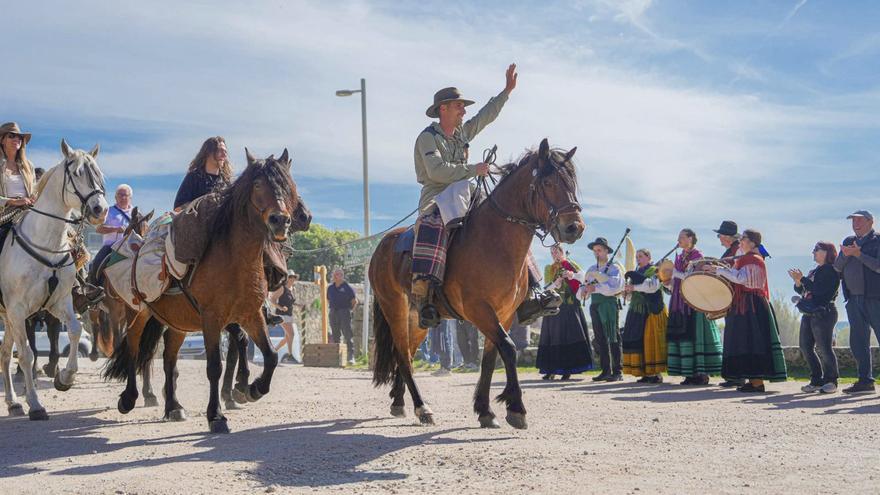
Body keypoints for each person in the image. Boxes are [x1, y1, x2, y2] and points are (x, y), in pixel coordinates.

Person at [709, 229, 787, 392]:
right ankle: (752, 380)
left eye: (743, 238)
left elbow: (743, 279)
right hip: (746, 304)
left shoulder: (753, 259)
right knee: (745, 341)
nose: (741, 241)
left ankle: (757, 382)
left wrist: (719, 270)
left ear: (752, 242)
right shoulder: (746, 259)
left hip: (751, 305)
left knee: (753, 341)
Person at [665, 229, 723, 385]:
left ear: (691, 239)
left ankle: (701, 373)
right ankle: (688, 373)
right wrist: (668, 281)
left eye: (682, 237)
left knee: (694, 334)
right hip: (679, 300)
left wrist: (675, 273)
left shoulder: (697, 256)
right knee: (683, 335)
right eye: (678, 237)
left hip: (694, 301)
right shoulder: (679, 257)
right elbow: (676, 279)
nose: (678, 240)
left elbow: (694, 278)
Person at [833, 210, 880, 394]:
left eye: (859, 220)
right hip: (853, 299)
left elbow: (878, 267)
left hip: (875, 298)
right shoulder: (847, 241)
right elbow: (837, 267)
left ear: (870, 221)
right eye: (853, 220)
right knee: (858, 341)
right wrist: (846, 254)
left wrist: (859, 254)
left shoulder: (877, 241)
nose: (855, 224)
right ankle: (865, 381)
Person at [536, 245, 593, 380]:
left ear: (562, 252)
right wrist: (556, 282)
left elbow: (584, 278)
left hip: (570, 306)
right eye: (552, 252)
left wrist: (571, 275)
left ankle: (567, 369)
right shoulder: (549, 268)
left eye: (557, 251)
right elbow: (547, 287)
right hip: (555, 307)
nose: (554, 254)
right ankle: (551, 369)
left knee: (568, 337)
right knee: (553, 338)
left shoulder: (571, 264)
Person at [790, 242, 840, 393]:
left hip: (824, 312)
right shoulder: (816, 271)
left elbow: (820, 291)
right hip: (809, 312)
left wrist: (803, 279)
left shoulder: (831, 270)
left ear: (827, 252)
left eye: (817, 250)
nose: (813, 252)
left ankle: (831, 380)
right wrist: (798, 282)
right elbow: (804, 291)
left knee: (824, 347)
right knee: (805, 346)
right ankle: (816, 380)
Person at [574, 238, 624, 382]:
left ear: (606, 251)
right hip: (595, 305)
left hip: (608, 304)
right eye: (595, 251)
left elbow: (616, 286)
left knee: (613, 336)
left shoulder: (615, 267)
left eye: (599, 250)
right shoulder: (591, 269)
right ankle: (605, 370)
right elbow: (585, 285)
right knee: (600, 338)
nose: (596, 253)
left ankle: (617, 371)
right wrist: (584, 290)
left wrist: (596, 287)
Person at [622, 249, 668, 383]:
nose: (638, 259)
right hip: (637, 310)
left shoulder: (655, 270)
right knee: (640, 342)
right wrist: (628, 292)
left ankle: (656, 374)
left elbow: (652, 287)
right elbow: (634, 293)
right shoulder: (637, 272)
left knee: (651, 341)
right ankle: (645, 373)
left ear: (649, 257)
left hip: (652, 311)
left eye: (641, 256)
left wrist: (634, 288)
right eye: (637, 257)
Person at [713, 220, 745, 388]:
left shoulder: (738, 250)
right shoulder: (731, 250)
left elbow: (735, 272)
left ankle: (738, 376)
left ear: (726, 237)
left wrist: (716, 269)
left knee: (736, 336)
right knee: (731, 336)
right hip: (731, 298)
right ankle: (733, 375)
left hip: (737, 298)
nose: (719, 239)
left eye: (720, 235)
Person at [88, 184, 133, 285]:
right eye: (120, 195)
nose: (123, 197)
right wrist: (116, 229)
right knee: (96, 264)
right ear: (115, 197)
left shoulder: (135, 213)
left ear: (130, 197)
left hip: (130, 248)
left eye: (125, 195)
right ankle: (92, 287)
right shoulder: (109, 211)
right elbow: (99, 229)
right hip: (111, 247)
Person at [174, 136, 232, 209]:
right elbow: (178, 207)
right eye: (220, 150)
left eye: (225, 152)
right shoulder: (194, 177)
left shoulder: (227, 183)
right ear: (208, 153)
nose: (224, 155)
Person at [327, 268, 358, 364]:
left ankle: (351, 356)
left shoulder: (348, 287)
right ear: (333, 276)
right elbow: (328, 300)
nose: (338, 276)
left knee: (347, 334)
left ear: (342, 276)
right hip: (333, 312)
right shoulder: (330, 288)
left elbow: (354, 301)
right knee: (335, 334)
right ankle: (338, 357)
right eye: (336, 274)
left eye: (340, 274)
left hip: (344, 312)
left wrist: (348, 311)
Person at [273, 271, 300, 363]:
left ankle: (273, 351)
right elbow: (272, 300)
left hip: (289, 315)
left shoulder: (293, 289)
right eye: (291, 277)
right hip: (281, 315)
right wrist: (281, 307)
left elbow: (291, 302)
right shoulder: (282, 288)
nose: (293, 279)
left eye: (294, 277)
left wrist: (299, 305)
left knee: (288, 337)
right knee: (291, 334)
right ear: (287, 278)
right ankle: (290, 355)